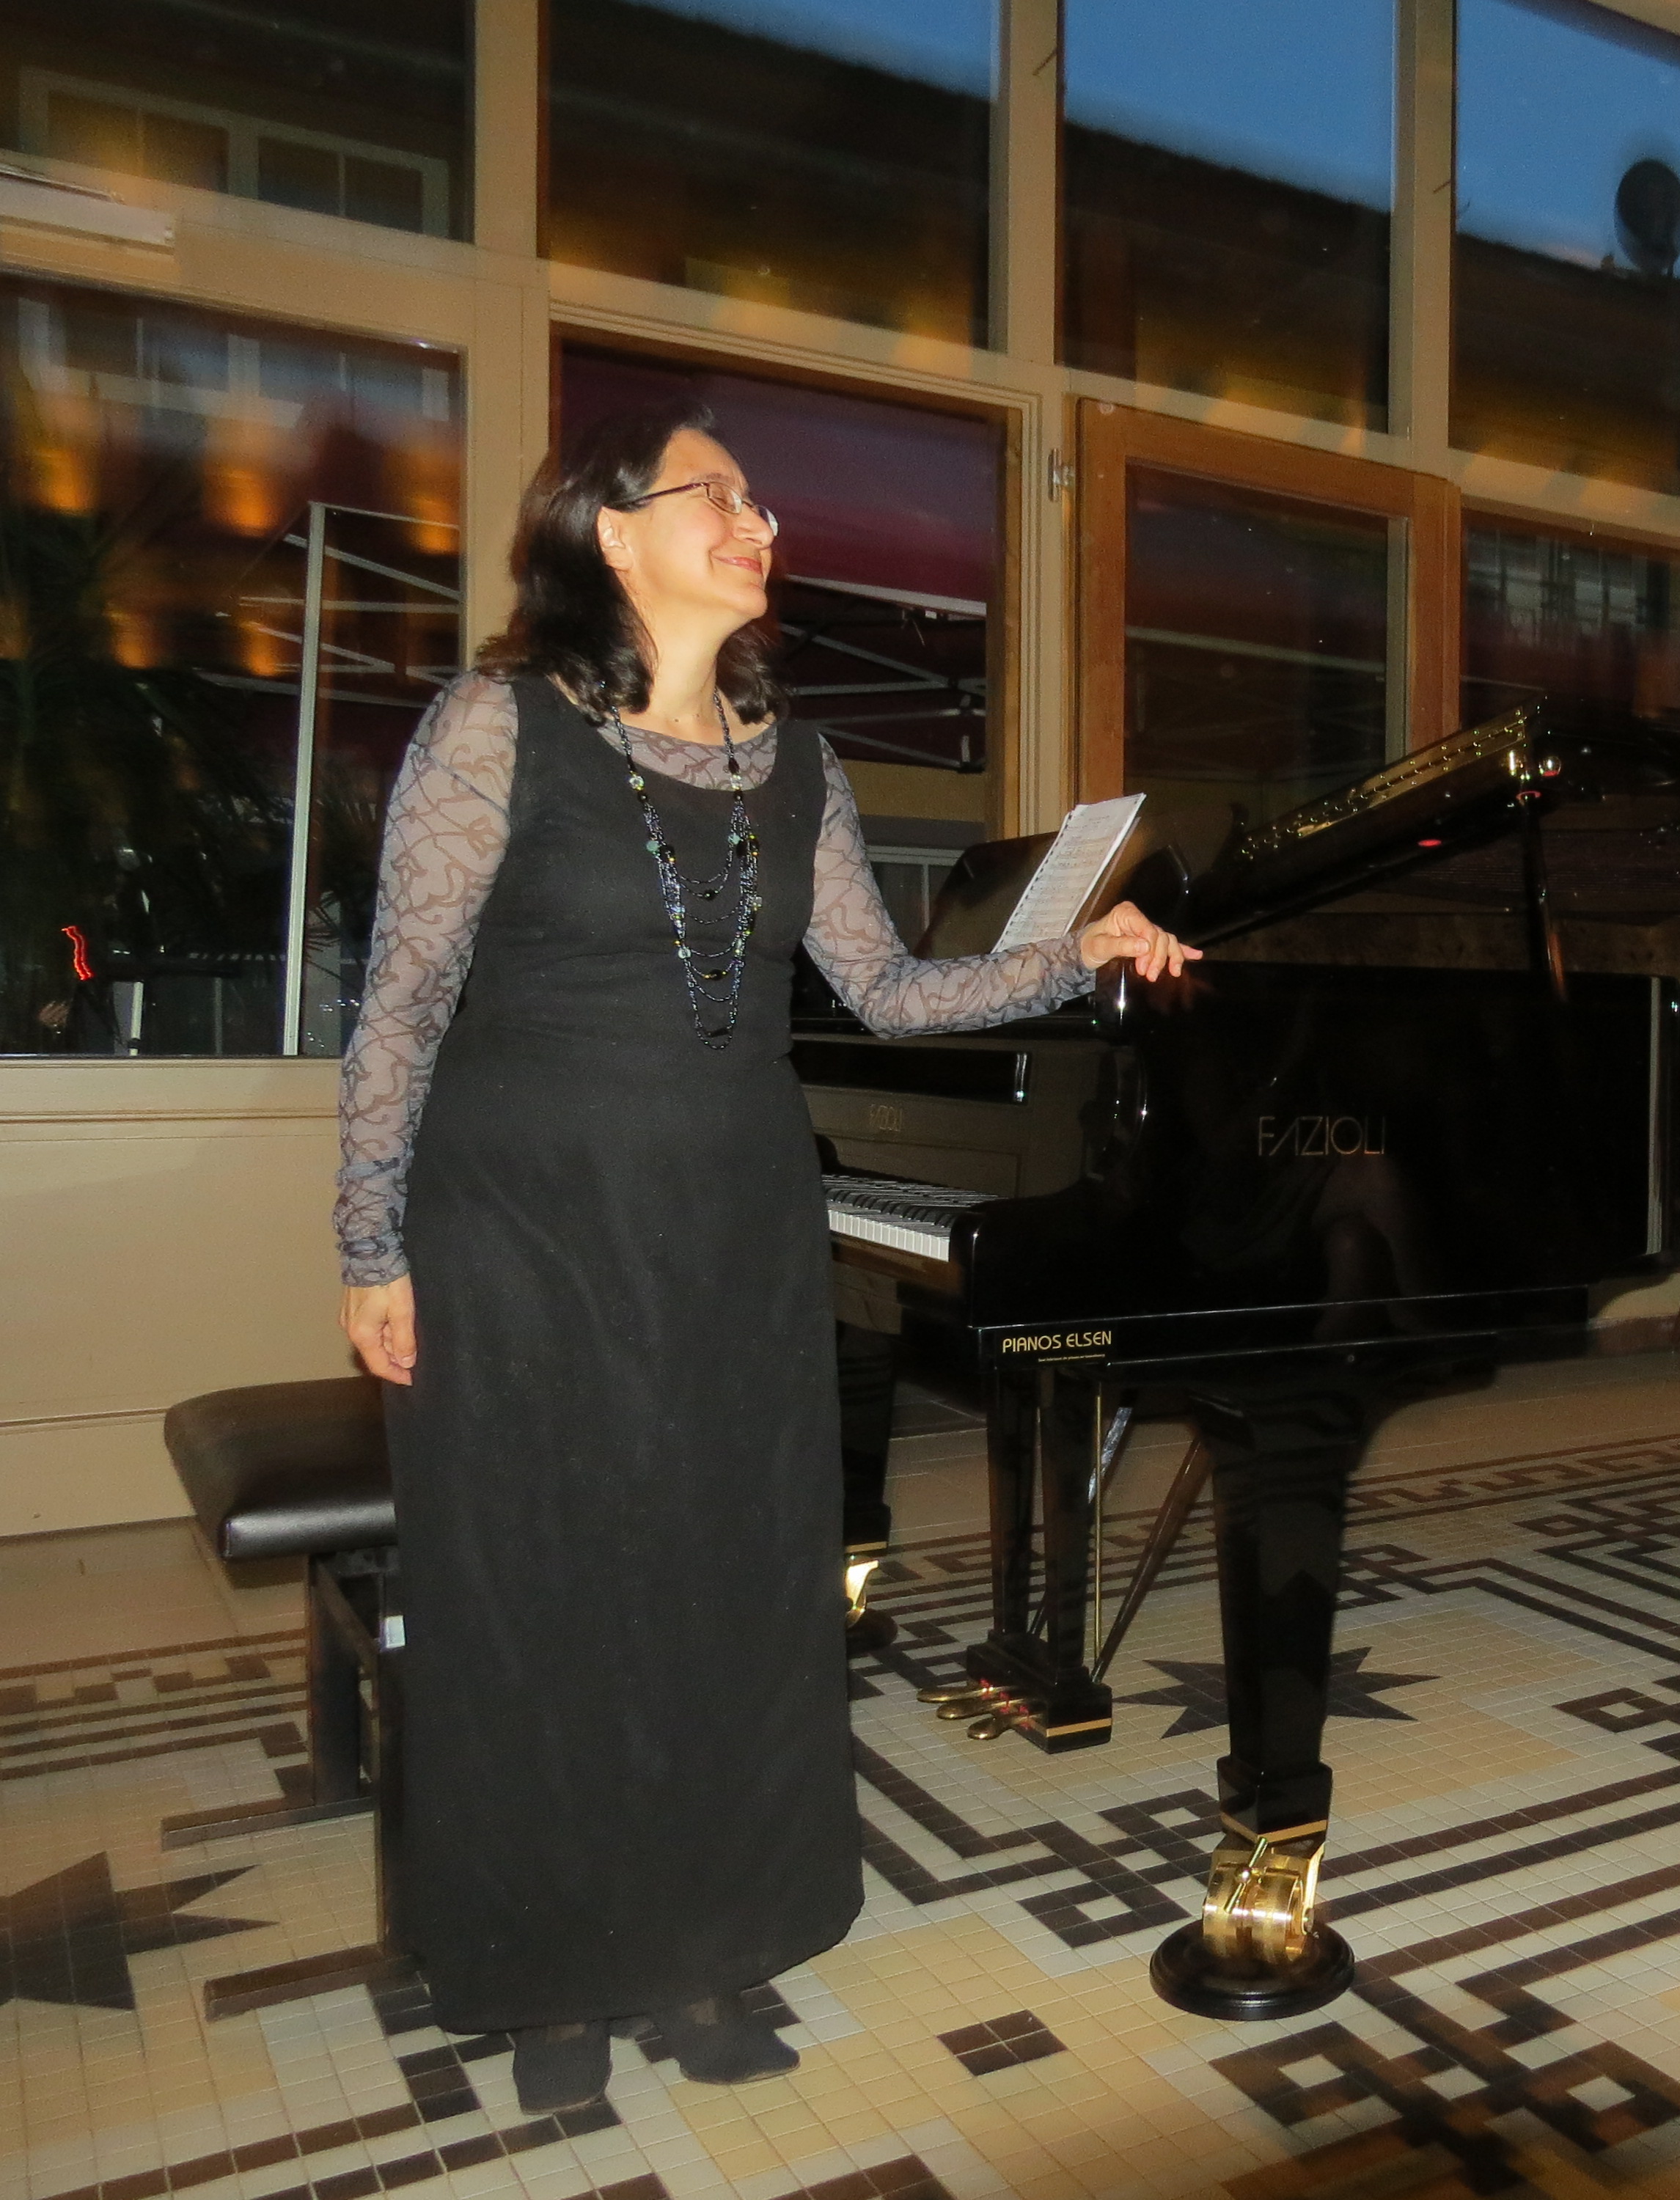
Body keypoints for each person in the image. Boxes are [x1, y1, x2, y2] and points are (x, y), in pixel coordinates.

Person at [332, 400, 1196, 2112]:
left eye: (759, 501)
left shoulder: (797, 763)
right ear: (609, 531)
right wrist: (369, 1238)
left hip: (732, 1224)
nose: (761, 522)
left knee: (725, 1583)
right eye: (716, 495)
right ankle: (553, 1967)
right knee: (541, 1588)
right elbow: (402, 1005)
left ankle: (712, 1941)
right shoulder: (495, 725)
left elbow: (884, 988)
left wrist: (1071, 951)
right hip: (515, 1225)